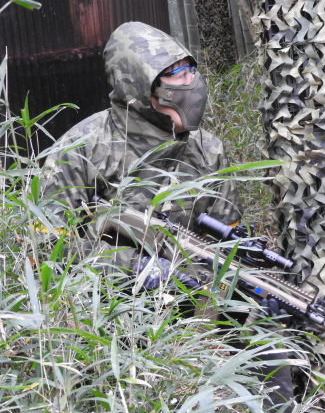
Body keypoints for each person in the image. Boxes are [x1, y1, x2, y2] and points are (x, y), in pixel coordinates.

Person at [43, 21, 293, 409]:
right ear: (138, 88)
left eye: (190, 71)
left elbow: (224, 237)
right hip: (106, 303)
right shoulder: (84, 148)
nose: (189, 85)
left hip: (190, 287)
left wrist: (253, 289)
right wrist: (131, 267)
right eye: (174, 76)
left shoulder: (207, 149)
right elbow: (46, 244)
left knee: (264, 332)